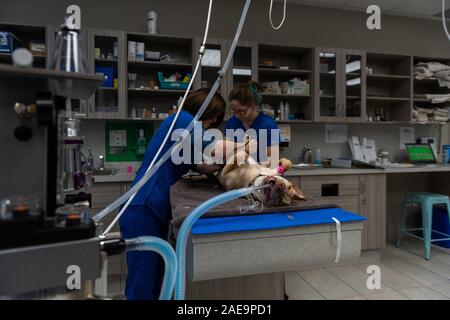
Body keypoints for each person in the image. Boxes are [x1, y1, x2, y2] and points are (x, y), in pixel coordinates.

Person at [119, 89, 254, 300]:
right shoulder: (182, 119)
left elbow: (201, 166)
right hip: (141, 207)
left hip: (152, 209)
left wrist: (223, 165)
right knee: (142, 283)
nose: (210, 124)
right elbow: (214, 148)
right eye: (211, 119)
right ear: (204, 110)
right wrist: (245, 145)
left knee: (157, 279)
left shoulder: (187, 132)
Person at [225, 81, 279, 166]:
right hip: (238, 174)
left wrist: (252, 168)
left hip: (263, 174)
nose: (236, 116)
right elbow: (228, 154)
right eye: (233, 111)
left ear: (253, 105)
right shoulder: (231, 123)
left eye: (241, 111)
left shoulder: (269, 124)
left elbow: (272, 160)